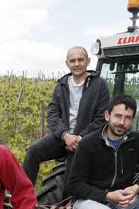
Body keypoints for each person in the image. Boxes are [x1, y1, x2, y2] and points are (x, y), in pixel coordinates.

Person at [22, 46, 109, 186]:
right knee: (33, 152)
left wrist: (80, 138)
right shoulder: (61, 85)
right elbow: (52, 113)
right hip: (63, 137)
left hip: (85, 141)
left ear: (88, 61)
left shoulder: (99, 85)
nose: (76, 64)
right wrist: (65, 135)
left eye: (80, 60)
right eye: (72, 60)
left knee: (70, 182)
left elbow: (101, 118)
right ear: (67, 63)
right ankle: (23, 197)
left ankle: (67, 203)